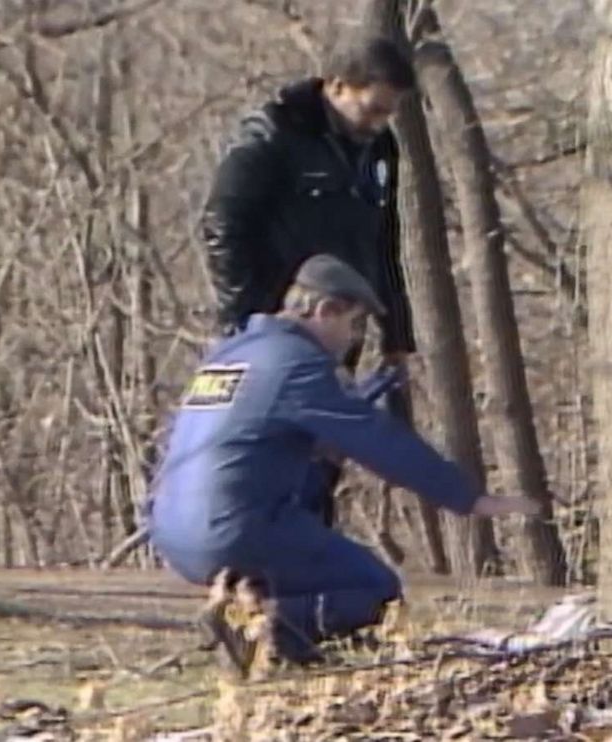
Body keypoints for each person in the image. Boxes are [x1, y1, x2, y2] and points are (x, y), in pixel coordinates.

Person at [147, 255, 540, 675]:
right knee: (375, 589)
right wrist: (467, 497)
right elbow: (377, 439)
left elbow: (241, 442)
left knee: (307, 575)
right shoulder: (297, 363)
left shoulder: (230, 353)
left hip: (170, 530)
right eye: (352, 325)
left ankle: (266, 636)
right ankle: (260, 628)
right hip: (235, 530)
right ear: (324, 310)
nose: (352, 340)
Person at [201, 35, 419, 525]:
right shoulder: (273, 133)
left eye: (389, 113)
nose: (379, 123)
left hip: (341, 325)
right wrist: (247, 321)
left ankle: (310, 563)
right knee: (269, 451)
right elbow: (222, 224)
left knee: (323, 453)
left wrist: (397, 331)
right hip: (278, 323)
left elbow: (384, 241)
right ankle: (252, 573)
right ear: (338, 86)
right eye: (372, 109)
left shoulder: (379, 148)